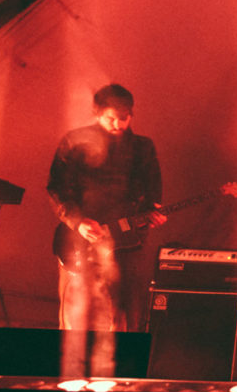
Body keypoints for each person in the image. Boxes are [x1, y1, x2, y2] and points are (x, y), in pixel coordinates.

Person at [47, 83, 166, 332]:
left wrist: (151, 212)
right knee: (73, 313)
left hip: (126, 241)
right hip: (78, 240)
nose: (117, 125)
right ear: (97, 113)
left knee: (124, 313)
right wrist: (78, 222)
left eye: (123, 118)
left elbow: (152, 190)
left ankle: (123, 363)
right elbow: (57, 189)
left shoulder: (143, 147)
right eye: (111, 118)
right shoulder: (74, 141)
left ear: (131, 114)